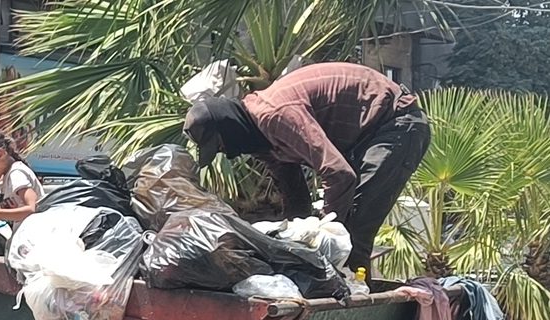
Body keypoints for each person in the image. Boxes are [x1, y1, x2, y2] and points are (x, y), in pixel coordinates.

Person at [184, 62, 430, 273]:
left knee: (353, 232)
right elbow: (294, 193)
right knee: (335, 236)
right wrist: (295, 242)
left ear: (229, 127)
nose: (226, 153)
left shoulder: (275, 116)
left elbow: (339, 174)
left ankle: (349, 309)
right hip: (364, 136)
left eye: (220, 145)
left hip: (396, 122)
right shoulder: (260, 141)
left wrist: (325, 235)